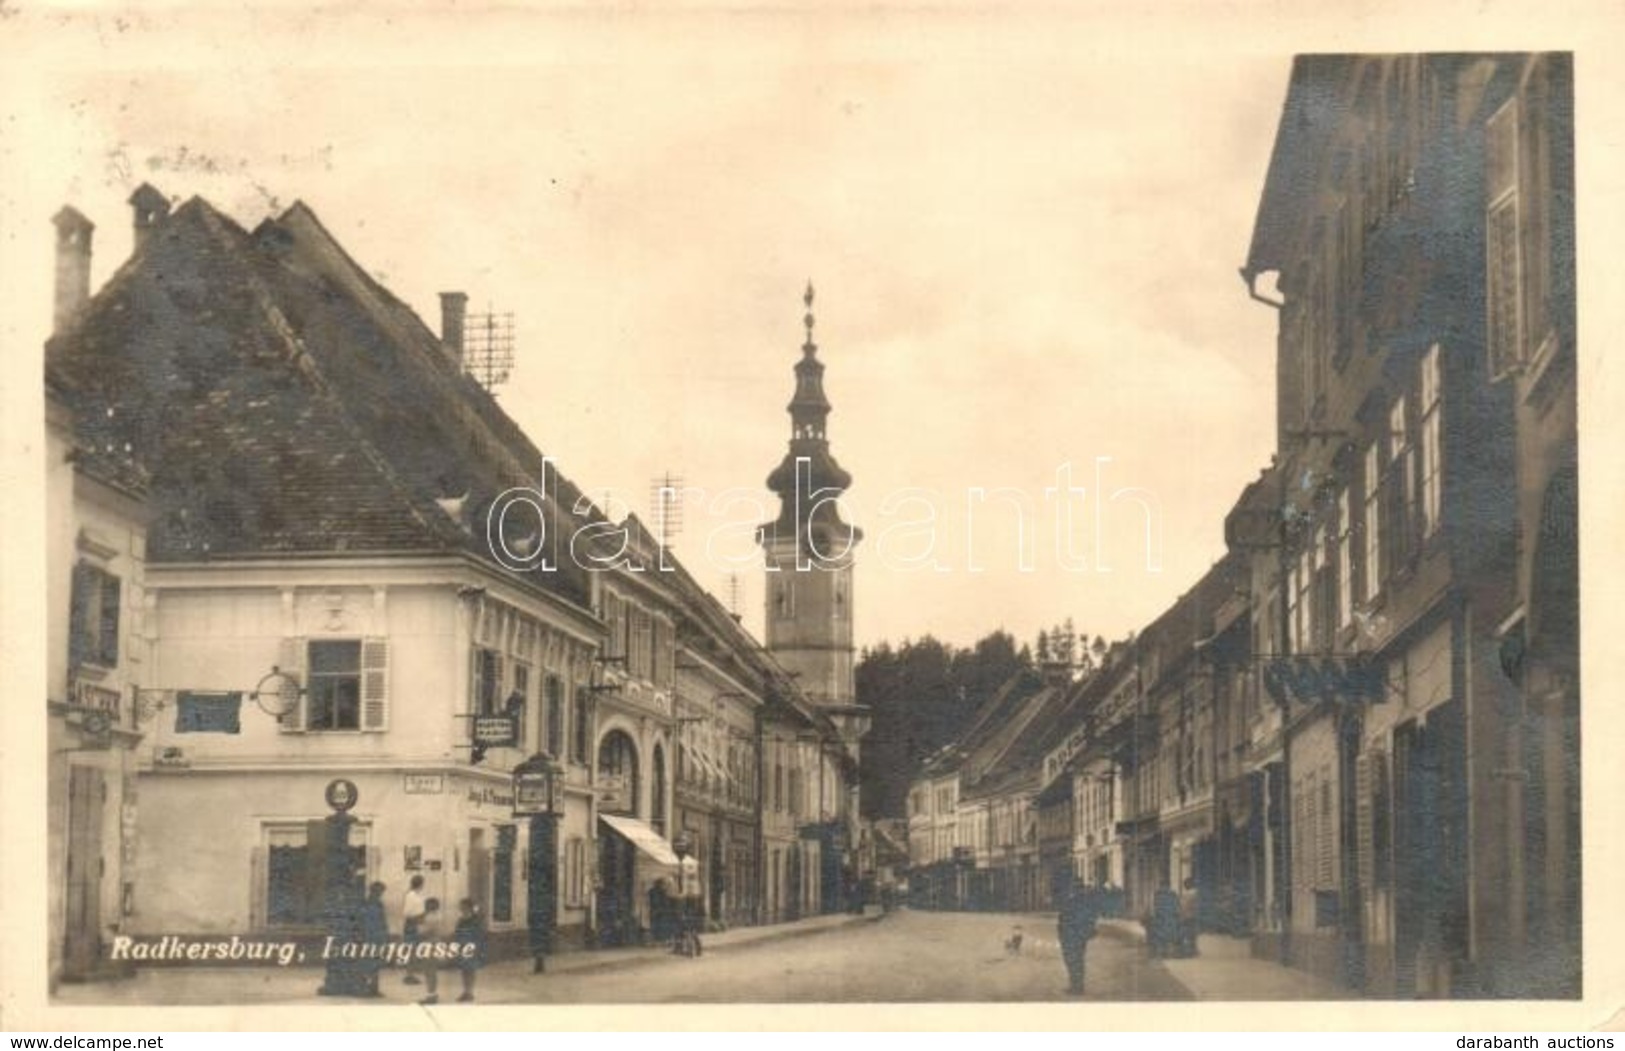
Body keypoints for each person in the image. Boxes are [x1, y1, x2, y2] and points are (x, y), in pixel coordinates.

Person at [1057, 881, 1099, 996]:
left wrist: (1062, 934)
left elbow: (1064, 919)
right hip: (1078, 937)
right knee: (1077, 960)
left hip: (1071, 936)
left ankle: (1076, 987)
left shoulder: (1073, 902)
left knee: (1072, 961)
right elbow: (1092, 919)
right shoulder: (1085, 902)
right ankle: (1077, 985)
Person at [452, 898, 487, 1003]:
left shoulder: (475, 920)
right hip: (462, 946)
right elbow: (457, 933)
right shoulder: (461, 919)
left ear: (468, 907)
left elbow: (479, 934)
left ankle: (470, 992)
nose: (460, 908)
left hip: (472, 946)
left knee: (471, 970)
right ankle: (466, 991)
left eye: (462, 906)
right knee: (464, 970)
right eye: (460, 906)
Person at [359, 881, 389, 997]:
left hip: (376, 936)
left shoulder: (377, 904)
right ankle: (365, 988)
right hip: (369, 936)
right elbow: (363, 921)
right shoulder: (367, 904)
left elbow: (382, 921)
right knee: (367, 964)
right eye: (380, 892)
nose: (381, 894)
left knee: (375, 964)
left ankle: (373, 988)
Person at [413, 897, 443, 1005]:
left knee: (429, 971)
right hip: (435, 943)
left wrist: (418, 924)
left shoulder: (430, 917)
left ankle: (431, 995)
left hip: (430, 944)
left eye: (427, 905)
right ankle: (432, 993)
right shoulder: (438, 915)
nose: (425, 907)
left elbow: (423, 932)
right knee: (431, 971)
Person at [402, 875, 427, 985]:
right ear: (420, 883)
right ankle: (409, 975)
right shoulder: (411, 895)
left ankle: (411, 973)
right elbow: (407, 913)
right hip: (411, 924)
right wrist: (418, 916)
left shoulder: (417, 895)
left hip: (417, 923)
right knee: (411, 950)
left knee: (415, 950)